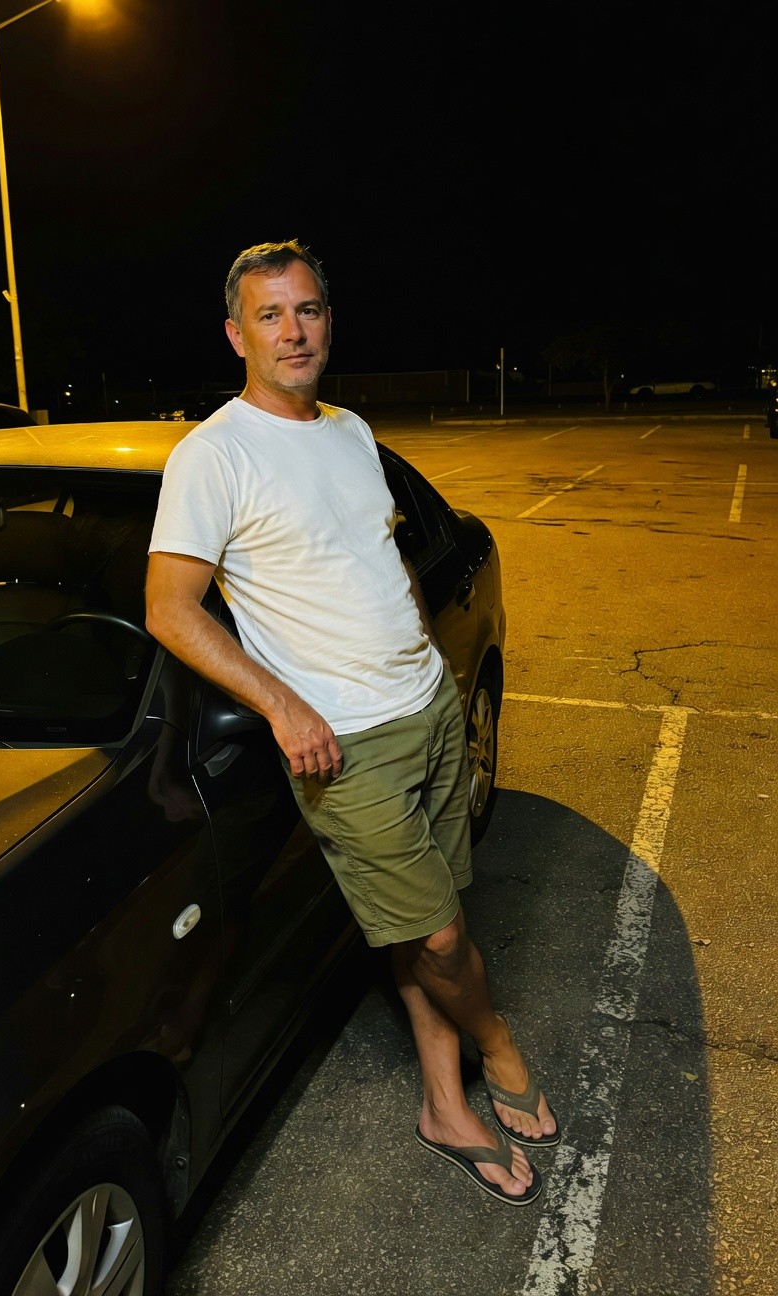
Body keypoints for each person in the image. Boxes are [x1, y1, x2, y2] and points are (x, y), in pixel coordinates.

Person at [145, 240, 559, 1205]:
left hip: (429, 710)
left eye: (309, 310)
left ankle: (444, 1107)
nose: (293, 332)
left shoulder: (350, 429)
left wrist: (427, 652)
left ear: (328, 321)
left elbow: (379, 556)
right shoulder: (214, 454)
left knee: (425, 926)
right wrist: (284, 704)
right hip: (348, 747)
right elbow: (170, 609)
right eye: (271, 315)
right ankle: (497, 1048)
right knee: (443, 940)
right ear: (236, 334)